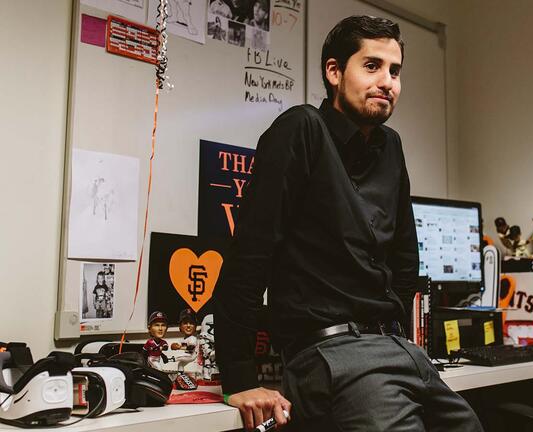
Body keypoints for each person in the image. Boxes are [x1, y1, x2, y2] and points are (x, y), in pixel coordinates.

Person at [214, 15, 483, 431]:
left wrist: (401, 336)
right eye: (372, 66)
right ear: (335, 72)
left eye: (395, 71)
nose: (387, 81)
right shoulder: (301, 128)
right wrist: (238, 377)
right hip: (330, 352)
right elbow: (249, 255)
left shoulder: (389, 146)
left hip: (397, 349)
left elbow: (405, 259)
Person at [171, 308, 198, 373]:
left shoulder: (192, 338)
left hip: (192, 355)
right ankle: (181, 376)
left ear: (195, 327)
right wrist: (173, 346)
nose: (188, 325)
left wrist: (179, 347)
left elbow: (191, 347)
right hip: (187, 355)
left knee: (178, 357)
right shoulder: (183, 339)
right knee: (180, 364)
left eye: (191, 323)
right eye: (185, 323)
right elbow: (174, 346)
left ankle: (169, 359)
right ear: (180, 327)